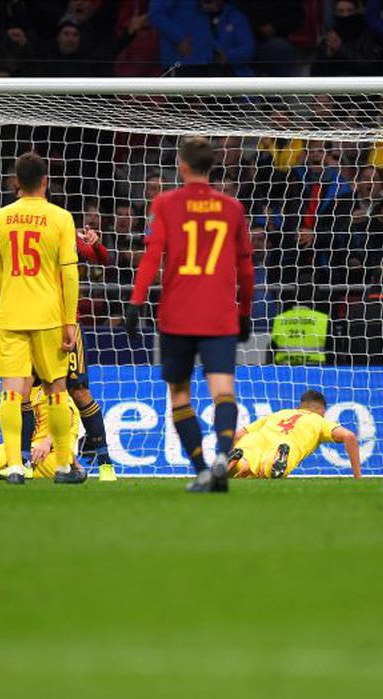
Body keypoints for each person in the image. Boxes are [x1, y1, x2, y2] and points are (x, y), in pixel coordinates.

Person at [126, 136, 255, 492]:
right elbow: (246, 266)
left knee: (180, 395)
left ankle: (200, 468)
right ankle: (221, 458)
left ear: (182, 166)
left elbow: (152, 256)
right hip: (219, 315)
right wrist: (245, 310)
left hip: (178, 315)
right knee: (223, 391)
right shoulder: (232, 208)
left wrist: (136, 302)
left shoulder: (165, 203)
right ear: (211, 167)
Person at [0, 152, 80, 485]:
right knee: (56, 388)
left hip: (11, 312)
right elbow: (69, 273)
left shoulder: (1, 217)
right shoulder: (61, 218)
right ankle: (66, 466)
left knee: (11, 391)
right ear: (45, 181)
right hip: (50, 314)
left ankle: (13, 465)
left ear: (15, 183)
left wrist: (11, 289)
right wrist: (70, 320)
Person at [64, 226, 118, 481]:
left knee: (79, 391)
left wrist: (95, 244)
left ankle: (105, 462)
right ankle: (22, 462)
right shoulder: (17, 225)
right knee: (25, 388)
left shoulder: (65, 229)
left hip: (66, 323)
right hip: (32, 321)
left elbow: (103, 259)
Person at [227, 390, 361, 479]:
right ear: (322, 410)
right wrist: (357, 477)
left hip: (258, 438)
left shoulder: (280, 413)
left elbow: (238, 435)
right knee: (268, 471)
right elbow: (349, 436)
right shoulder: (320, 421)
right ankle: (276, 459)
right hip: (288, 444)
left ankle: (239, 460)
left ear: (299, 406)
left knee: (246, 456)